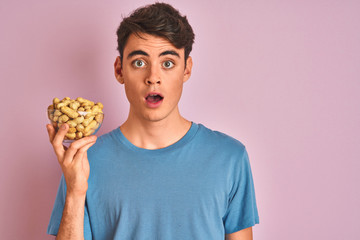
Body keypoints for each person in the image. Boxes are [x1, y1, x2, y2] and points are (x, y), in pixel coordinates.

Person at [46, 3, 259, 240]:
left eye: (167, 63)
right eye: (139, 62)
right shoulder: (84, 160)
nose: (153, 78)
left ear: (186, 69)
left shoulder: (229, 157)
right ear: (119, 70)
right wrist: (75, 191)